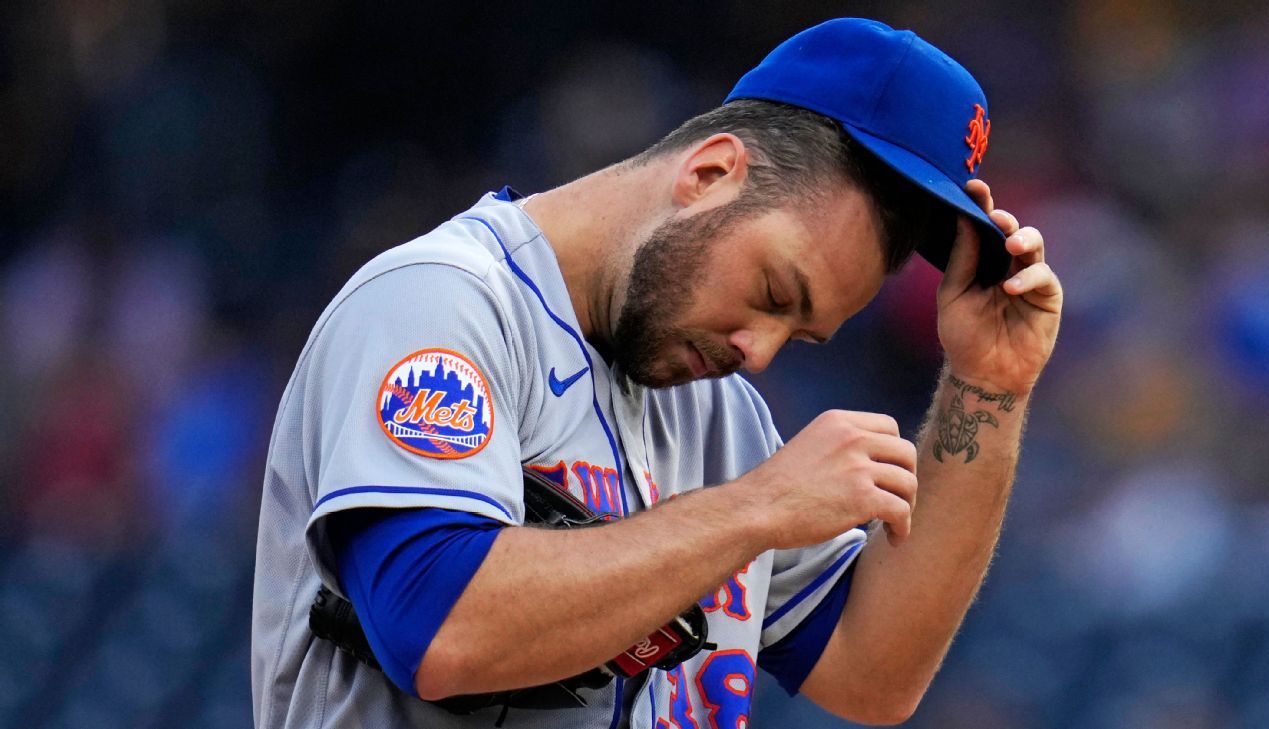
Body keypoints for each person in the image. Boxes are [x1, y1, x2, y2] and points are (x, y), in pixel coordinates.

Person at [251, 17, 1062, 729]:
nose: (760, 351)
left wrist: (987, 384)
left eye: (800, 335)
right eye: (775, 293)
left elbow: (872, 672)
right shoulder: (445, 302)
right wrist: (758, 507)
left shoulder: (721, 417)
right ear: (710, 173)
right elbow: (439, 629)